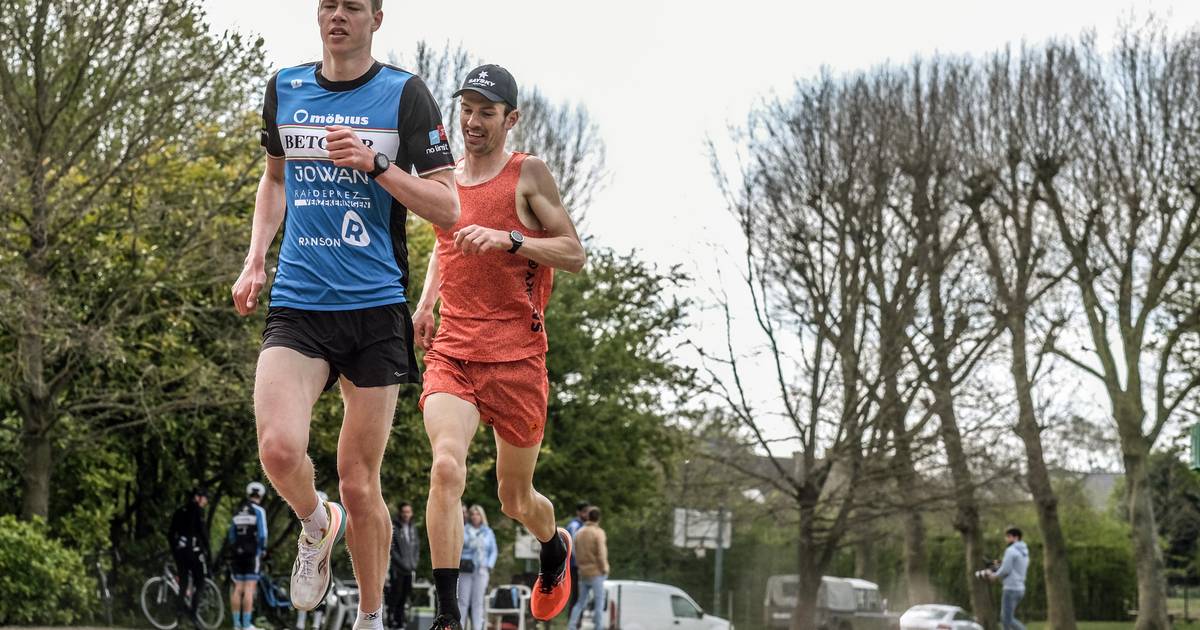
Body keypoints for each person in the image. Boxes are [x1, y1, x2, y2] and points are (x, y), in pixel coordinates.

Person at [230, 0, 458, 626]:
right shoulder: (285, 88)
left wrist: (377, 164)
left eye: (352, 6)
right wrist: (255, 258)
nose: (338, 15)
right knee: (279, 450)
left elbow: (448, 207)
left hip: (375, 308)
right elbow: (275, 179)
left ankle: (371, 618)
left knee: (359, 482)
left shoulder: (405, 95)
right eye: (328, 4)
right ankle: (314, 522)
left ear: (376, 19)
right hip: (299, 302)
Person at [415, 63, 586, 630]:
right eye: (466, 109)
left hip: (517, 359)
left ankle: (554, 545)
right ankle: (447, 616)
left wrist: (509, 238)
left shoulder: (527, 174)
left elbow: (573, 252)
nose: (472, 121)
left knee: (515, 499)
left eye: (486, 112)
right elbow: (446, 244)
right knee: (446, 468)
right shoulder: (445, 176)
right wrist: (425, 303)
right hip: (454, 352)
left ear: (510, 119)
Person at [167, 487, 211, 625]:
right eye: (205, 498)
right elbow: (202, 533)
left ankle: (179, 615)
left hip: (180, 553)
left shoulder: (179, 511)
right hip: (194, 552)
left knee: (183, 583)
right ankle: (193, 614)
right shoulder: (198, 511)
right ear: (198, 498)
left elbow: (171, 534)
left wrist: (175, 550)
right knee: (200, 582)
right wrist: (208, 552)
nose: (205, 502)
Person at [229, 482, 269, 630]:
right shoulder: (259, 511)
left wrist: (235, 548)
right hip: (253, 554)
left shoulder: (238, 511)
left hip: (237, 553)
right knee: (249, 588)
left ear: (248, 494)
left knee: (238, 588)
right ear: (261, 495)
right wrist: (263, 549)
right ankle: (246, 625)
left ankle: (236, 624)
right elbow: (263, 534)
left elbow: (231, 535)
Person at [456, 505, 498, 630]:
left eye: (477, 514)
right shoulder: (464, 529)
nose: (475, 516)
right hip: (466, 569)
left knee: (478, 602)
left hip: (481, 569)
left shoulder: (488, 532)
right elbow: (458, 548)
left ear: (482, 516)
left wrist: (489, 565)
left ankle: (478, 627)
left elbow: (493, 551)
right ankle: (460, 627)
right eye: (473, 514)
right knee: (463, 601)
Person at [567, 508, 608, 630]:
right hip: (596, 572)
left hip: (583, 572)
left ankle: (571, 626)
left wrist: (580, 565)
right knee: (599, 602)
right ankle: (598, 627)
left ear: (588, 517)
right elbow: (601, 553)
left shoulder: (579, 533)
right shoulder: (598, 533)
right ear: (598, 518)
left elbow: (574, 551)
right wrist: (604, 568)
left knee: (580, 602)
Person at [987, 526, 1029, 630]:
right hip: (1020, 588)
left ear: (1016, 537)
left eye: (1008, 536)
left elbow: (1006, 569)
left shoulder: (1011, 550)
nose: (1006, 539)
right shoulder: (1024, 551)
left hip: (1011, 588)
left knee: (1006, 619)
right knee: (1007, 618)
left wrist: (994, 575)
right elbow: (1013, 566)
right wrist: (999, 565)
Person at [387, 502, 420, 629]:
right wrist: (402, 563)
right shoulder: (394, 527)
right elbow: (391, 549)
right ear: (400, 513)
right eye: (404, 512)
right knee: (396, 594)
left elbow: (416, 547)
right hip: (397, 569)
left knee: (405, 595)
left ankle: (400, 621)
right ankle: (391, 620)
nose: (406, 514)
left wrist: (414, 563)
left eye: (408, 512)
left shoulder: (413, 527)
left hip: (409, 569)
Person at [564, 502, 589, 612]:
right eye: (584, 512)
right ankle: (573, 619)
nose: (587, 514)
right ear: (578, 512)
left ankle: (577, 618)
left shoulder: (583, 525)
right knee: (576, 594)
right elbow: (573, 546)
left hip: (579, 564)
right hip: (574, 565)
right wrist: (579, 561)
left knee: (580, 594)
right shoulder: (575, 526)